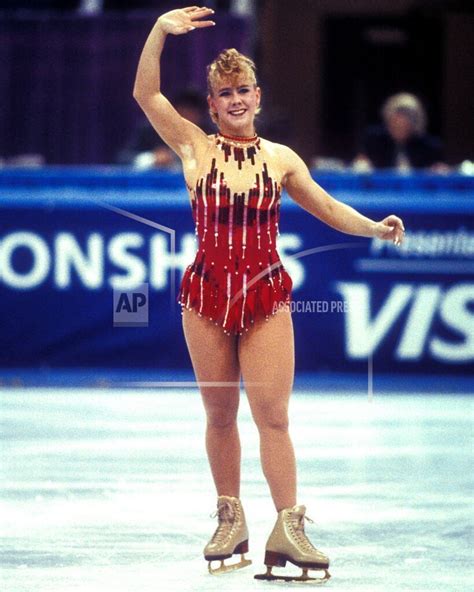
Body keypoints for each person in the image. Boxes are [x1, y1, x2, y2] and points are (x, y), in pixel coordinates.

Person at [133, 6, 405, 583]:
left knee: (273, 417)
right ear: (211, 104)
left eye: (244, 90)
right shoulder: (192, 146)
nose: (235, 99)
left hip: (265, 298)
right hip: (205, 297)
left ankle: (288, 525)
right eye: (224, 92)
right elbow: (146, 93)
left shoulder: (281, 159)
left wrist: (376, 228)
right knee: (219, 413)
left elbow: (329, 209)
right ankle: (230, 518)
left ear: (258, 96)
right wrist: (159, 30)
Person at [353, 92, 446, 172]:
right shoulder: (373, 140)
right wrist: (362, 165)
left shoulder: (430, 146)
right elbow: (361, 162)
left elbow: (438, 170)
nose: (400, 125)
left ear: (415, 125)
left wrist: (439, 170)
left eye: (405, 125)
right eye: (395, 124)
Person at [117, 88, 209, 168]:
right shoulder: (151, 129)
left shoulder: (209, 133)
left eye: (192, 114)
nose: (186, 118)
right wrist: (152, 158)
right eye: (182, 112)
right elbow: (123, 159)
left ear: (200, 115)